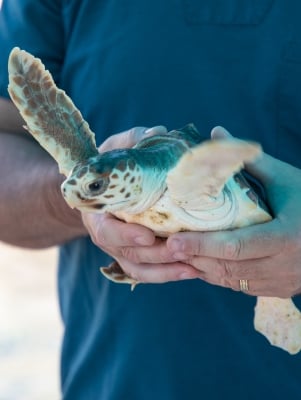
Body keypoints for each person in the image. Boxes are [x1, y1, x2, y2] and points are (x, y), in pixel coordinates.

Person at [0, 1, 301, 399]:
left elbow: (221, 157)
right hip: (117, 381)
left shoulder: (190, 176)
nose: (79, 196)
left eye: (92, 190)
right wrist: (78, 206)